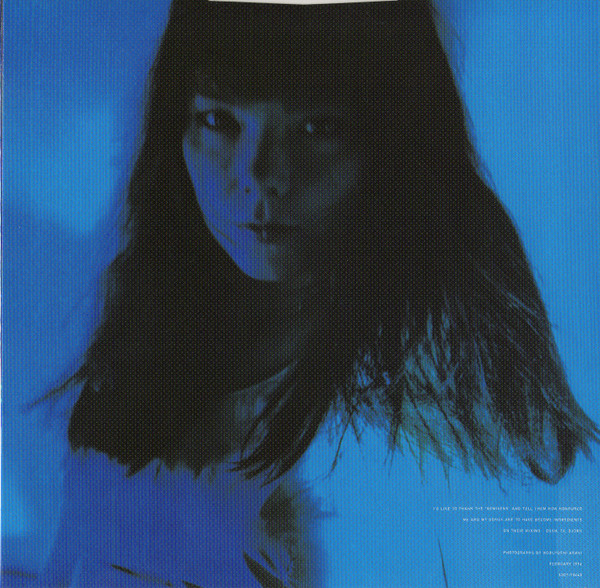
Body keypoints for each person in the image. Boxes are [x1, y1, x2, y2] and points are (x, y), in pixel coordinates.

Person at [38, 1, 598, 586]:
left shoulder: (426, 393)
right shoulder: (154, 304)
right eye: (219, 121)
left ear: (397, 147)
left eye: (316, 128)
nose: (256, 175)